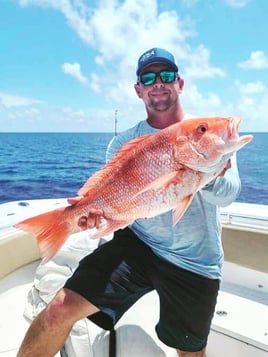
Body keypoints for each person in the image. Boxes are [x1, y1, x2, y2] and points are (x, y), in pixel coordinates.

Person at [17, 48, 241, 357]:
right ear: (138, 89)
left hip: (195, 259)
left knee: (190, 351)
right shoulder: (124, 142)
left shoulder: (211, 137)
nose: (158, 83)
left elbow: (229, 194)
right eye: (148, 77)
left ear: (180, 83)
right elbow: (120, 204)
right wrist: (94, 215)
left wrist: (208, 171)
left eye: (166, 75)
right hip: (138, 244)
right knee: (58, 309)